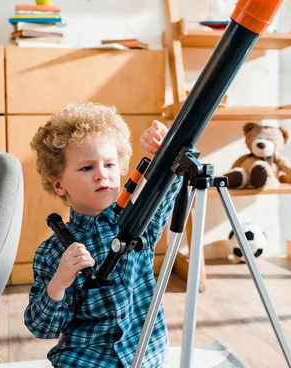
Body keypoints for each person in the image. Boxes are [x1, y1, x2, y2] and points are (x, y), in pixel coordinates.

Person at [25, 101, 182, 368]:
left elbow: (169, 188)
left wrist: (165, 152)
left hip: (145, 352)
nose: (101, 175)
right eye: (87, 168)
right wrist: (60, 282)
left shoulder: (139, 221)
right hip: (87, 358)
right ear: (59, 184)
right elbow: (43, 328)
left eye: (109, 165)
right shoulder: (52, 252)